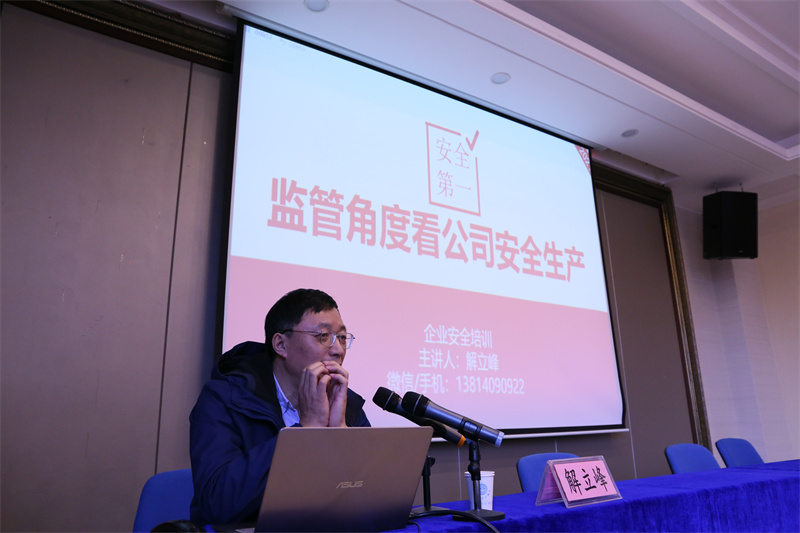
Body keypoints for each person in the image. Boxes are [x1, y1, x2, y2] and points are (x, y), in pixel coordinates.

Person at [188, 288, 370, 526]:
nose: (338, 350)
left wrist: (342, 436)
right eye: (323, 336)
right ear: (281, 345)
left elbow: (373, 503)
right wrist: (306, 430)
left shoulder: (347, 404)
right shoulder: (225, 399)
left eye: (342, 338)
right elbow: (217, 504)